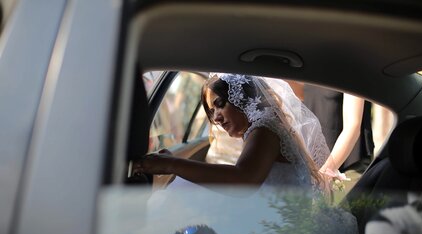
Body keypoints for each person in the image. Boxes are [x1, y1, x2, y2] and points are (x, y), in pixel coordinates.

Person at [133, 73, 330, 194]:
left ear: (242, 99)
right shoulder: (268, 127)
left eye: (220, 105)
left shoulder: (264, 129)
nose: (216, 118)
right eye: (211, 113)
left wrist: (171, 165)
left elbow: (243, 180)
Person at [286, 81, 374, 195]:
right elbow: (303, 94)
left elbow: (353, 126)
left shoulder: (353, 68)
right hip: (314, 165)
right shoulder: (313, 67)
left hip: (349, 165)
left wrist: (323, 175)